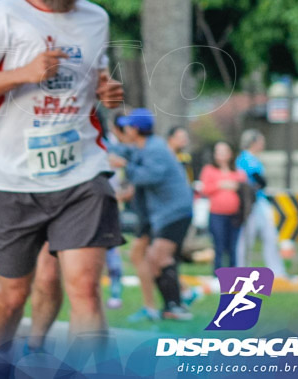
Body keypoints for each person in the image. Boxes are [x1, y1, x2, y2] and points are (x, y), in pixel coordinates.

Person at [0, 0, 124, 355]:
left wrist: (106, 91)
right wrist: (24, 74)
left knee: (85, 289)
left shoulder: (96, 20)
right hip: (13, 179)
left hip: (82, 173)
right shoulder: (2, 16)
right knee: (12, 294)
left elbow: (92, 78)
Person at [109, 108, 194, 321]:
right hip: (166, 213)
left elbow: (147, 177)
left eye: (128, 125)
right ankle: (172, 306)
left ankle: (176, 306)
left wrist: (125, 166)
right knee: (156, 258)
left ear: (136, 129)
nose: (125, 128)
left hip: (175, 211)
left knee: (159, 257)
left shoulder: (155, 149)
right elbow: (125, 152)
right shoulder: (145, 146)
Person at [235, 129, 288, 278]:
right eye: (260, 141)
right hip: (251, 204)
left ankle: (277, 271)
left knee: (270, 236)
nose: (262, 145)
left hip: (261, 202)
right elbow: (256, 180)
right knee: (247, 238)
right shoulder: (245, 158)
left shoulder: (255, 159)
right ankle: (242, 269)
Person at [199, 141, 247, 271]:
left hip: (235, 215)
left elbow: (244, 188)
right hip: (217, 213)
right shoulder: (209, 170)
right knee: (218, 245)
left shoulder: (238, 172)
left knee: (233, 247)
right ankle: (217, 274)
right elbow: (205, 189)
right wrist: (221, 184)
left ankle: (233, 274)